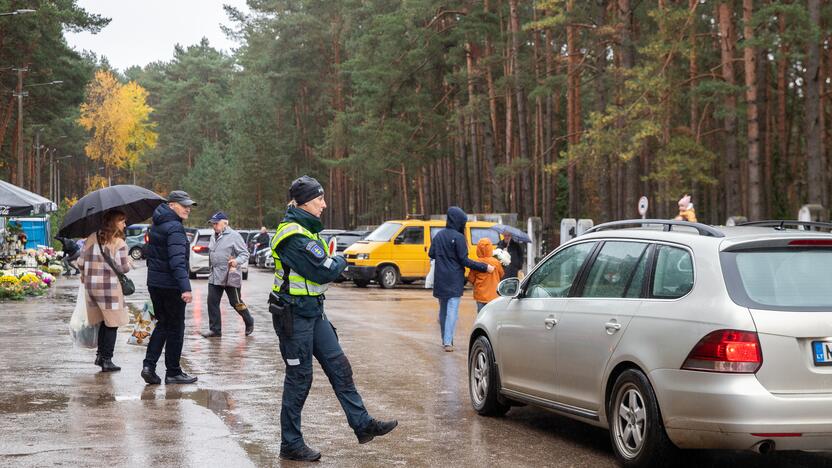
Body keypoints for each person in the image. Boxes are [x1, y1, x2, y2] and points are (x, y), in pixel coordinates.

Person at [270, 175, 398, 462]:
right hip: (293, 315)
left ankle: (363, 424)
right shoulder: (292, 235)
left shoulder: (307, 230)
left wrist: (332, 261)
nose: (324, 205)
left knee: (340, 368)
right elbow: (324, 269)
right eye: (319, 200)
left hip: (314, 312)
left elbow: (324, 264)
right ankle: (290, 444)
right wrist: (340, 260)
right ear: (303, 203)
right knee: (299, 379)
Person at [141, 190, 198, 385]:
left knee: (163, 324)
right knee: (175, 328)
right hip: (171, 285)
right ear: (172, 204)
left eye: (189, 205)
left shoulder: (156, 224)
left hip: (155, 283)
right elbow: (177, 261)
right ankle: (173, 371)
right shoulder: (174, 227)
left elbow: (149, 253)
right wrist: (185, 287)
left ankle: (148, 366)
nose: (188, 209)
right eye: (184, 205)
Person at [429, 206, 493, 352]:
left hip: (440, 279)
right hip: (454, 280)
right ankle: (448, 342)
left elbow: (431, 254)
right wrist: (484, 267)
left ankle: (445, 340)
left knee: (443, 310)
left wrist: (443, 256)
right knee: (452, 310)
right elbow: (464, 261)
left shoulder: (438, 236)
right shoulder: (459, 238)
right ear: (458, 221)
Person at [77, 210, 131, 372]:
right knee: (112, 323)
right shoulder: (119, 243)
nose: (125, 224)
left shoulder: (91, 238)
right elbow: (123, 268)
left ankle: (100, 356)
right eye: (122, 221)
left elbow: (80, 262)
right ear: (114, 222)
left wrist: (85, 273)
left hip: (92, 288)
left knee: (102, 322)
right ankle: (106, 359)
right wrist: (129, 261)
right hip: (109, 289)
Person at [202, 211, 254, 338]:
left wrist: (236, 261)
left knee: (236, 302)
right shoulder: (214, 235)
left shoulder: (234, 236)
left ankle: (249, 321)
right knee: (212, 302)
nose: (214, 225)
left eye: (216, 223)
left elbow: (245, 254)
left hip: (230, 275)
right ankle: (215, 330)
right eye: (212, 223)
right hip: (215, 275)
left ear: (225, 223)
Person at [467, 238, 504, 313]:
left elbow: (471, 278)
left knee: (481, 316)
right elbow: (501, 274)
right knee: (492, 315)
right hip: (493, 295)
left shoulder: (477, 263)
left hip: (480, 295)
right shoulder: (496, 262)